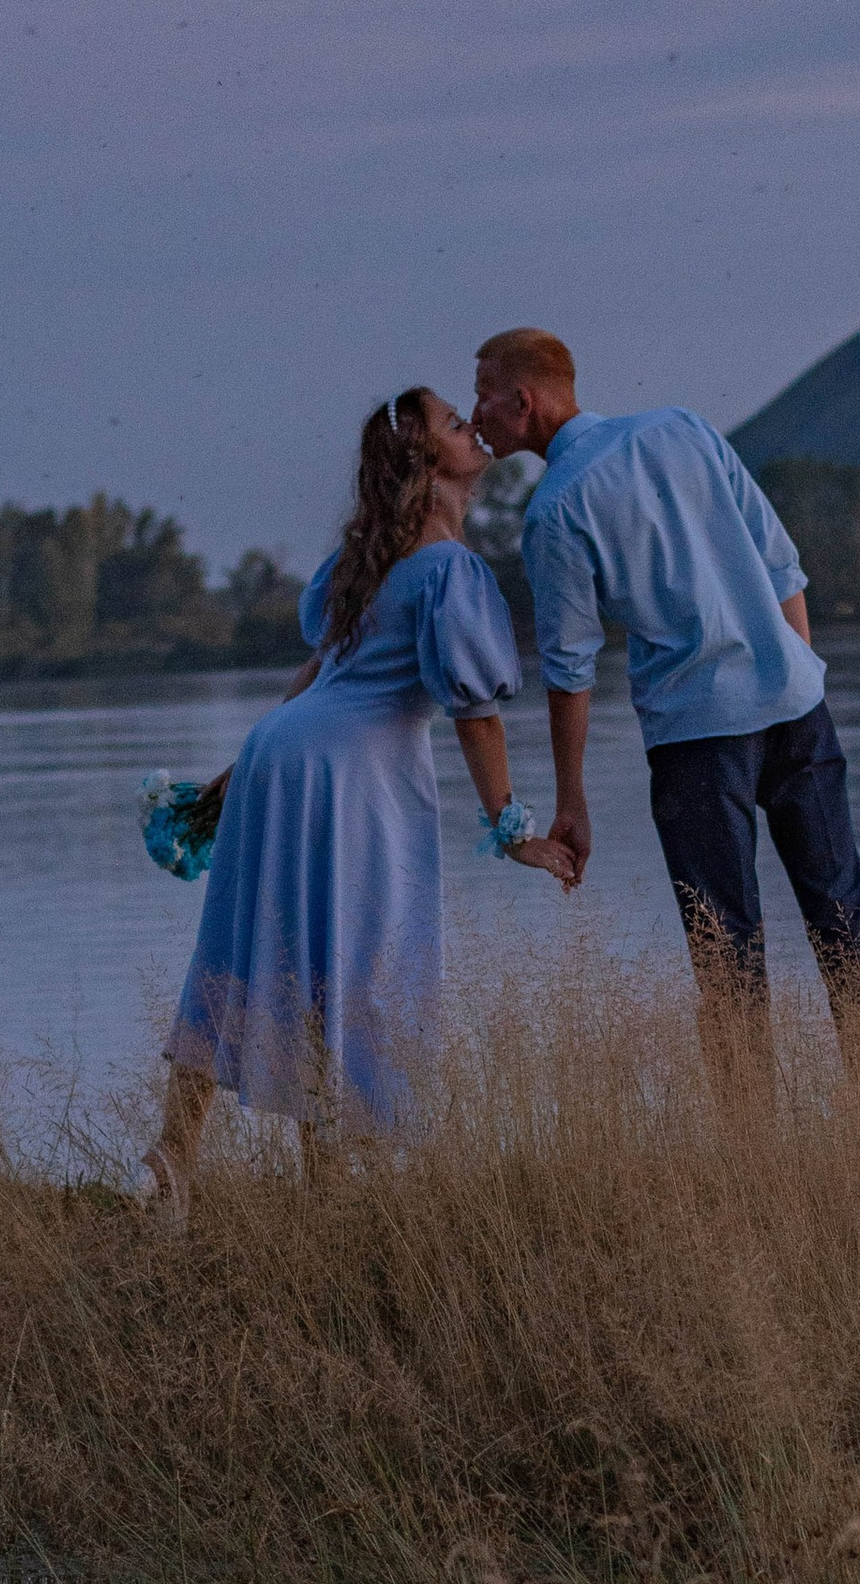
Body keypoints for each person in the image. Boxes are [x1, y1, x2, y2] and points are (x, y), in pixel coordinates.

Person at [147, 389, 573, 1195]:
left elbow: (318, 674)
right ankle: (330, 1181)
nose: (471, 427)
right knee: (357, 963)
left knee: (242, 954)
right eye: (455, 424)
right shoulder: (449, 569)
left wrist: (244, 770)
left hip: (286, 754)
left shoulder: (368, 559)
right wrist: (512, 829)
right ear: (428, 464)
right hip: (350, 777)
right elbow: (475, 713)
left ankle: (174, 1156)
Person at [469, 326, 860, 1101]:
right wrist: (799, 673)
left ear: (523, 402)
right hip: (798, 709)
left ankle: (751, 1155)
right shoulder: (684, 428)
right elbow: (781, 563)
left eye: (482, 398)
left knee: (726, 951)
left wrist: (571, 800)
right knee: (844, 923)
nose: (475, 415)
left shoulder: (556, 511)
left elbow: (570, 670)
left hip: (699, 740)